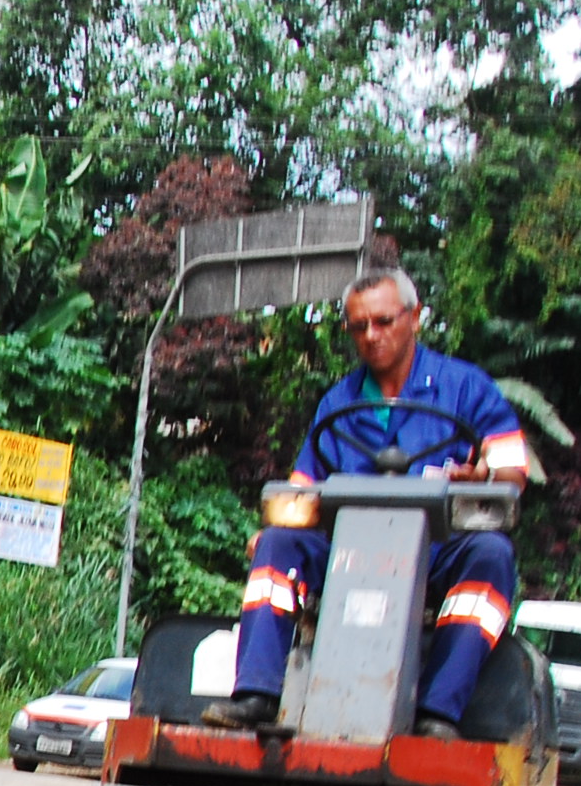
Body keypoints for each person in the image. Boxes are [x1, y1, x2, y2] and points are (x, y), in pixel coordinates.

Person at [207, 269, 527, 740]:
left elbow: (512, 472)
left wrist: (483, 476)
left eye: (382, 321)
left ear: (413, 318)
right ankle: (256, 693)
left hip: (437, 553)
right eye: (359, 327)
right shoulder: (338, 403)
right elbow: (303, 486)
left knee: (492, 556)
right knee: (277, 544)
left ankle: (438, 712)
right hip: (346, 554)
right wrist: (277, 524)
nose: (371, 336)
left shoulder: (467, 388)